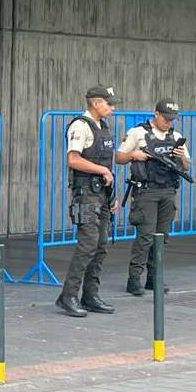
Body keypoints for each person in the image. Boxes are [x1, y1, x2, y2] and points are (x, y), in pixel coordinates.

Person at [55, 85, 120, 317]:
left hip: (101, 193)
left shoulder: (103, 126)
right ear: (95, 103)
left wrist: (112, 193)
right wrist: (101, 169)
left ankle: (90, 295)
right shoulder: (80, 126)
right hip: (86, 193)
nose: (112, 108)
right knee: (88, 244)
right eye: (109, 103)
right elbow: (73, 159)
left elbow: (108, 166)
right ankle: (68, 295)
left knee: (101, 245)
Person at [116, 99, 189, 296]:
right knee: (145, 236)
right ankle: (134, 279)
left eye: (172, 119)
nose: (169, 123)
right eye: (166, 118)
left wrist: (181, 156)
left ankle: (153, 279)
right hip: (146, 191)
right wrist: (133, 155)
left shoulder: (176, 136)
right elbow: (119, 157)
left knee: (161, 237)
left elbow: (187, 166)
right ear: (156, 114)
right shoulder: (137, 133)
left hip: (168, 191)